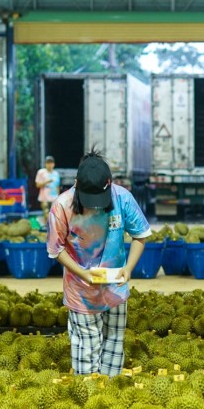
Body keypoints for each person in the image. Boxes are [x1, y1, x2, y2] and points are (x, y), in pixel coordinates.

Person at [46, 150, 151, 376]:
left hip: (114, 289)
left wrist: (128, 268)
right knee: (86, 351)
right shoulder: (62, 206)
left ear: (109, 184)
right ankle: (88, 402)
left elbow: (140, 235)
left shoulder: (122, 198)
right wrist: (82, 274)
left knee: (114, 347)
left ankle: (109, 397)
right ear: (76, 184)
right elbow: (56, 250)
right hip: (80, 291)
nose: (94, 207)